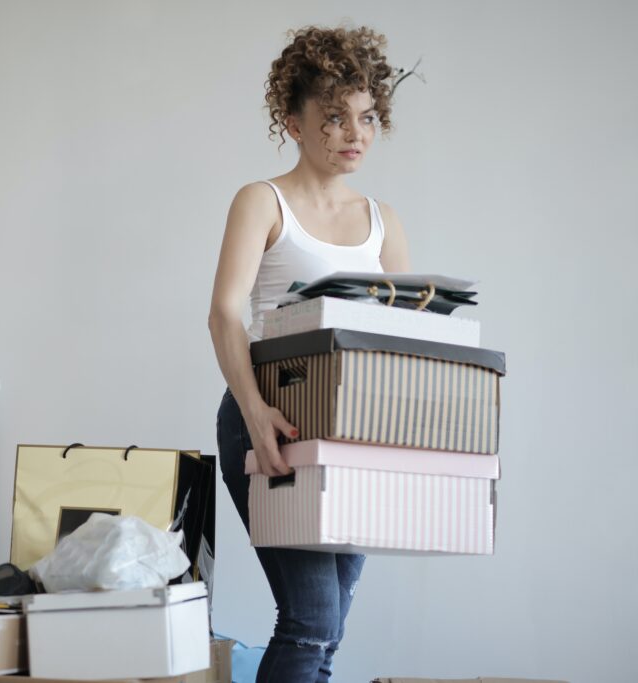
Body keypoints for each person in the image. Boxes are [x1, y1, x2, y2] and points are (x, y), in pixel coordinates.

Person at [208, 25, 411, 683]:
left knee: (329, 627)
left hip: (353, 430)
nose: (354, 133)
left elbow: (401, 341)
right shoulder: (262, 201)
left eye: (366, 117)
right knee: (312, 618)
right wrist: (255, 410)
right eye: (333, 118)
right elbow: (224, 314)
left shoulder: (384, 221)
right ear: (292, 124)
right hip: (271, 415)